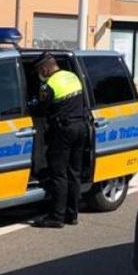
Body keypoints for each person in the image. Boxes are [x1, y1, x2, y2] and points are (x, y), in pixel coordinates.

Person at [31, 52, 91, 229]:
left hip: (63, 131)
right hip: (81, 128)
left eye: (39, 70)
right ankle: (72, 214)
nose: (40, 74)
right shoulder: (72, 76)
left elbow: (41, 109)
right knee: (74, 172)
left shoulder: (48, 85)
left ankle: (56, 217)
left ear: (45, 67)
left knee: (59, 174)